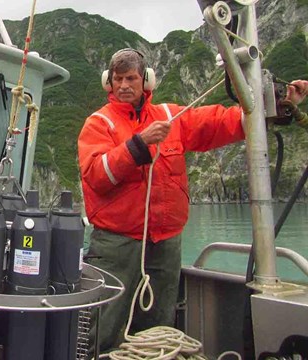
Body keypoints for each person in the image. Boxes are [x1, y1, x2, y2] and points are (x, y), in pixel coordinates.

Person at [77, 48, 308, 353]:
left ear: (146, 81)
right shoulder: (99, 123)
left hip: (166, 242)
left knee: (158, 326)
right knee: (101, 323)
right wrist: (138, 144)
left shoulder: (171, 117)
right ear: (109, 82)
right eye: (118, 79)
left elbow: (220, 122)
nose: (123, 86)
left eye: (131, 78)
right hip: (116, 244)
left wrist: (279, 105)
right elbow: (97, 175)